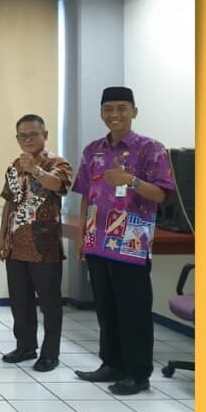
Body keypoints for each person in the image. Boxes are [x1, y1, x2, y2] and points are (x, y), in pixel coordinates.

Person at [71, 87, 175, 395]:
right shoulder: (92, 150)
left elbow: (161, 195)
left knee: (133, 311)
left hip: (131, 244)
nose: (114, 114)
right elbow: (86, 195)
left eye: (121, 108)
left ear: (134, 111)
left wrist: (131, 180)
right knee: (106, 309)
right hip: (97, 240)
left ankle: (138, 374)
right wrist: (81, 237)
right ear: (101, 113)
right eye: (108, 109)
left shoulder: (151, 149)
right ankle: (112, 364)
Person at [0, 115, 73, 372]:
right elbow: (10, 203)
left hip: (44, 245)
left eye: (33, 134)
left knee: (49, 303)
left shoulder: (58, 163)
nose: (28, 140)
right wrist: (1, 237)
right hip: (16, 244)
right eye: (23, 136)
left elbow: (58, 185)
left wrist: (36, 170)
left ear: (45, 135)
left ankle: (50, 353)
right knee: (20, 301)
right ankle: (25, 346)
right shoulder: (14, 166)